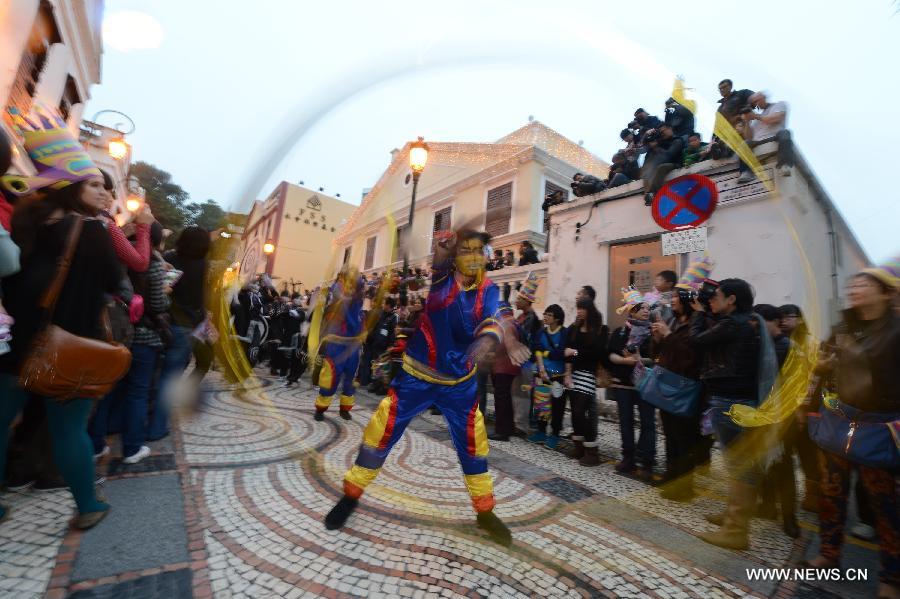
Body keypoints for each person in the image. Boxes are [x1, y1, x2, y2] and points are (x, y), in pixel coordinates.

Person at [324, 228, 530, 547]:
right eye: (467, 250)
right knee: (381, 434)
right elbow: (439, 266)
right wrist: (441, 249)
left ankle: (485, 512)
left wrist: (499, 339)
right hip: (415, 378)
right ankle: (351, 495)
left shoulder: (488, 290)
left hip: (459, 385)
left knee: (474, 448)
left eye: (479, 251)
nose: (474, 257)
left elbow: (499, 317)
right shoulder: (441, 281)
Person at [0, 106, 124, 528]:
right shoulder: (92, 231)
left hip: (16, 344)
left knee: (1, 425)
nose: (101, 189)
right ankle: (89, 506)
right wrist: (107, 223)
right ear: (71, 185)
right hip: (70, 348)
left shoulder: (24, 222)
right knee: (68, 432)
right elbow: (114, 280)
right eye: (92, 182)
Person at [803, 263, 900, 598]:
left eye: (865, 284)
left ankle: (891, 576)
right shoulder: (843, 326)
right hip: (840, 422)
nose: (856, 288)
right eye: (854, 283)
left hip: (881, 426)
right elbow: (820, 364)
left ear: (887, 293)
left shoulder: (897, 331)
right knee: (832, 495)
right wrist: (820, 373)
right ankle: (829, 554)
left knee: (885, 505)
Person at [689, 278, 762, 550]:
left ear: (731, 299)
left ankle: (736, 530)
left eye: (716, 296)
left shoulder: (734, 325)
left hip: (731, 401)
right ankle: (733, 516)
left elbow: (696, 341)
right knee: (737, 465)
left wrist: (697, 315)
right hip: (739, 400)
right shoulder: (747, 321)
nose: (711, 300)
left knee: (740, 466)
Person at [89, 222, 169, 465]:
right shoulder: (154, 266)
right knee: (138, 393)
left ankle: (96, 443)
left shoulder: (115, 258)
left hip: (116, 332)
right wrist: (166, 292)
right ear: (156, 241)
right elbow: (158, 305)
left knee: (108, 390)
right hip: (144, 336)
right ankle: (132, 448)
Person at [149, 226, 211, 441]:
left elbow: (163, 288)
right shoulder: (204, 265)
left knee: (155, 372)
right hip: (188, 326)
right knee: (171, 375)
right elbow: (201, 300)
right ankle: (157, 426)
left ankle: (144, 420)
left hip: (164, 321)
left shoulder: (170, 258)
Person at [650, 282, 702, 501]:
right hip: (667, 386)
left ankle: (685, 486)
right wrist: (657, 338)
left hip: (685, 388)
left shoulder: (697, 325)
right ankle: (671, 477)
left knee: (684, 438)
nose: (671, 301)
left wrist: (669, 335)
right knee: (670, 435)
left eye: (676, 297)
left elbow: (690, 357)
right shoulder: (672, 321)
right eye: (671, 297)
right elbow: (658, 353)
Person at [752, 303, 800, 538]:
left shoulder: (788, 347)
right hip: (761, 414)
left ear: (772, 321)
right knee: (763, 463)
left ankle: (790, 517)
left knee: (783, 467)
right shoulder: (762, 345)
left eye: (759, 322)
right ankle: (767, 506)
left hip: (782, 417)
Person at [608, 289, 656, 479]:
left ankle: (647, 462)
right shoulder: (620, 332)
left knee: (648, 424)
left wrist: (640, 360)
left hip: (646, 385)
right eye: (640, 308)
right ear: (631, 311)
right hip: (623, 385)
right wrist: (624, 361)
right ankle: (628, 458)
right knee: (625, 422)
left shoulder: (653, 333)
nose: (645, 311)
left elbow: (657, 358)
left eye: (646, 308)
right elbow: (610, 354)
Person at [490, 272, 541, 442]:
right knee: (513, 395)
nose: (516, 301)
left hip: (524, 361)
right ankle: (513, 426)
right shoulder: (519, 318)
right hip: (516, 362)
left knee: (519, 396)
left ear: (527, 301)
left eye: (519, 299)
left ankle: (518, 427)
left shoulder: (530, 319)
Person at [313, 267, 365, 421]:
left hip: (353, 344)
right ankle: (321, 409)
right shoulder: (337, 290)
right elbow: (338, 297)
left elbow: (360, 291)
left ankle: (345, 408)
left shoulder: (357, 296)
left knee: (350, 378)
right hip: (336, 342)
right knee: (331, 376)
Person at [563, 298, 609, 467]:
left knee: (580, 410)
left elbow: (596, 353)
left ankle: (592, 450)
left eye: (582, 308)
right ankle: (580, 447)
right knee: (575, 412)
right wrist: (567, 374)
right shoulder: (574, 328)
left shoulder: (600, 330)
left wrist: (575, 352)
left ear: (590, 309)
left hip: (588, 374)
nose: (579, 311)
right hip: (573, 374)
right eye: (578, 308)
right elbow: (566, 351)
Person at [528, 304, 568, 449]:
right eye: (545, 313)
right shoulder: (540, 332)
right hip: (541, 374)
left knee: (558, 405)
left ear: (557, 318)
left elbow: (561, 353)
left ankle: (555, 434)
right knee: (540, 404)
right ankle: (541, 431)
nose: (545, 317)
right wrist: (542, 369)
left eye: (549, 315)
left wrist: (546, 353)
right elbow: (536, 350)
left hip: (559, 375)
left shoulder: (564, 333)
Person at [737, 91, 794, 182]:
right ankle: (745, 172)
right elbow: (749, 137)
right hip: (758, 141)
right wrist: (747, 121)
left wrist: (755, 116)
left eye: (757, 101)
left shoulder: (779, 105)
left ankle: (784, 165)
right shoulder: (756, 117)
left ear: (763, 97)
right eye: (754, 103)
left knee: (785, 133)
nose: (756, 104)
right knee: (744, 143)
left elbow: (775, 118)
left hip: (774, 136)